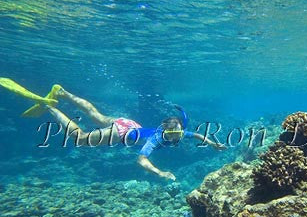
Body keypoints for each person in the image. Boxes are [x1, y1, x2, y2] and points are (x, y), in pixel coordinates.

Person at [0, 78, 225, 181]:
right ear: (165, 131)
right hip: (122, 133)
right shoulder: (156, 139)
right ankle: (50, 107)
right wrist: (161, 173)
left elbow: (194, 133)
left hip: (128, 122)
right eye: (173, 134)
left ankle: (63, 92)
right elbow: (141, 160)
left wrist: (213, 143)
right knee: (81, 139)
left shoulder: (174, 132)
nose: (177, 137)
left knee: (96, 115)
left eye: (177, 134)